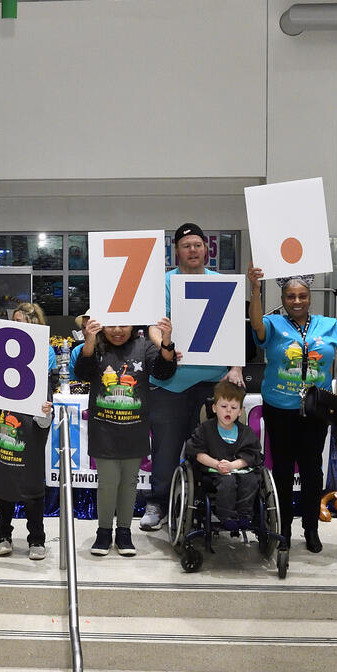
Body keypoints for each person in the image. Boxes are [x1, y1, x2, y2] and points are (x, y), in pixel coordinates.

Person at [142, 223, 246, 532]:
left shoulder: (222, 282)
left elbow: (232, 329)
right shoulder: (164, 282)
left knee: (213, 448)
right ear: (176, 251)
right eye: (186, 245)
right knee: (165, 447)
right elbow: (154, 326)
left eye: (197, 245)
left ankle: (208, 502)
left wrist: (236, 366)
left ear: (206, 249)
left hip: (211, 384)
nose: (192, 250)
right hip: (170, 384)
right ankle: (158, 503)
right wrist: (164, 347)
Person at [248, 268, 337, 553]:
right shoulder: (274, 324)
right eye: (290, 296)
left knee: (311, 470)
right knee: (280, 468)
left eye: (302, 296)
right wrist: (255, 288)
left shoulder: (329, 326)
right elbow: (256, 324)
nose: (297, 301)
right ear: (282, 298)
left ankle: (311, 528)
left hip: (315, 412)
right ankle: (283, 529)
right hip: (280, 408)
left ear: (310, 298)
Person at [76, 316, 176, 557]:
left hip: (135, 430)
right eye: (111, 325)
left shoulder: (144, 346)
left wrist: (167, 342)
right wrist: (89, 340)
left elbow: (164, 372)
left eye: (124, 324)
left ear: (134, 325)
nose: (118, 330)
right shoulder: (96, 346)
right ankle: (103, 532)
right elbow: (82, 373)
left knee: (129, 483)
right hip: (104, 431)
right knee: (108, 483)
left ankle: (124, 533)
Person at [0, 393, 52, 561]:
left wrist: (45, 412)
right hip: (6, 451)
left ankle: (37, 539)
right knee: (5, 492)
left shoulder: (39, 383)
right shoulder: (4, 382)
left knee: (33, 495)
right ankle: (2, 535)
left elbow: (44, 422)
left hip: (31, 450)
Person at [184, 380, 262, 529]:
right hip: (213, 470)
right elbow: (198, 454)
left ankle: (244, 514)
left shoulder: (246, 433)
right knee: (228, 482)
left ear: (240, 411)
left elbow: (251, 456)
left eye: (233, 408)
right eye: (224, 406)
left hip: (238, 467)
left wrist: (232, 465)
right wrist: (217, 464)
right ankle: (226, 516)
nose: (228, 411)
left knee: (251, 480)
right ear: (214, 408)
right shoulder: (205, 429)